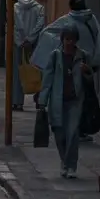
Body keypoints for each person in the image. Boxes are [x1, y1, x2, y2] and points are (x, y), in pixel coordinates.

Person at [37, 23, 91, 178]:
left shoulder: (82, 56)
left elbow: (90, 80)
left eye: (72, 39)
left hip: (75, 101)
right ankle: (64, 162)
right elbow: (47, 80)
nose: (69, 42)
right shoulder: (55, 56)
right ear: (62, 39)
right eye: (67, 39)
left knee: (73, 134)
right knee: (60, 135)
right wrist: (42, 101)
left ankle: (71, 166)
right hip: (57, 101)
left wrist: (86, 71)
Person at [12, 0, 47, 112]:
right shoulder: (39, 8)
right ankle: (39, 100)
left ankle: (17, 102)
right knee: (38, 70)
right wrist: (31, 39)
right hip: (35, 43)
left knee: (18, 71)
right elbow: (40, 25)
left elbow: (16, 26)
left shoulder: (15, 8)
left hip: (19, 44)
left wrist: (21, 41)